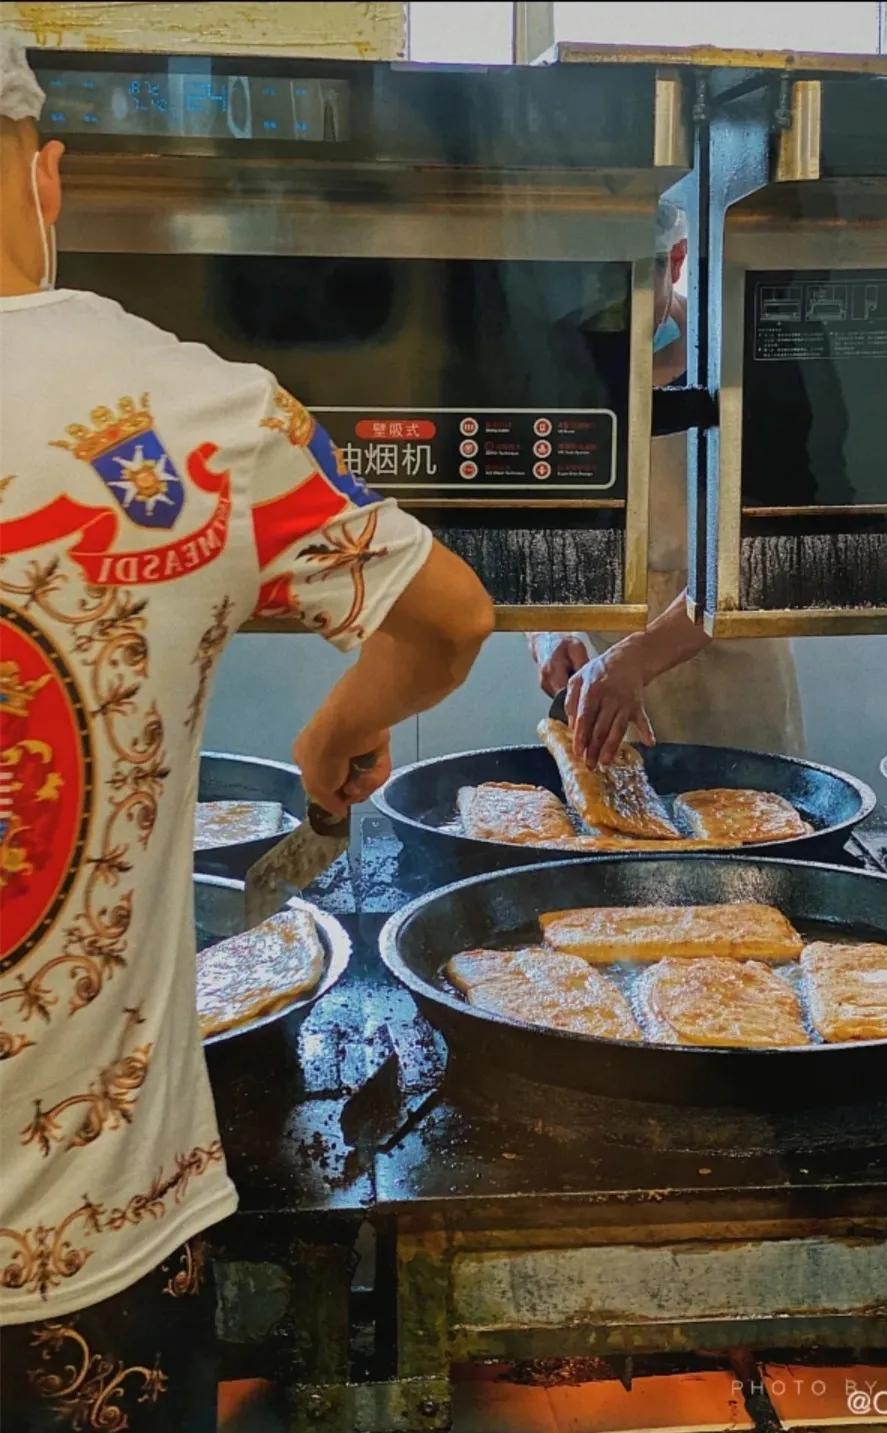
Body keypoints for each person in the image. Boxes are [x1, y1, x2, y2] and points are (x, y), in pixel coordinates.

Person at [0, 36, 493, 1431]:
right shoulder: (198, 413)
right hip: (96, 1249)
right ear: (51, 177)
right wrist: (340, 726)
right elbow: (450, 618)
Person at [527, 201, 804, 769]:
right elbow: (528, 521)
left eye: (626, 295)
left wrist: (638, 657)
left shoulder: (749, 353)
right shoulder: (547, 359)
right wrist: (546, 628)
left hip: (733, 680)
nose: (609, 322)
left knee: (745, 834)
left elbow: (773, 552)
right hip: (600, 687)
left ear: (675, 261)